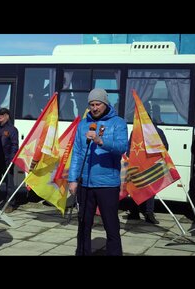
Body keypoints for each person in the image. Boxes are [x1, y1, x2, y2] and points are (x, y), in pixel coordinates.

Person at [68, 88, 128, 256]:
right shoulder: (82, 125)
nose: (94, 108)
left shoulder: (118, 123)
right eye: (91, 104)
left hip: (108, 184)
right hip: (85, 184)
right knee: (83, 225)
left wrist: (101, 141)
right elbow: (77, 153)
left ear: (105, 104)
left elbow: (122, 147)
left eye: (98, 104)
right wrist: (73, 179)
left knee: (111, 226)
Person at [126, 117, 168, 224]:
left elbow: (129, 149)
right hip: (146, 166)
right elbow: (165, 147)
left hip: (145, 165)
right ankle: (145, 214)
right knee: (145, 189)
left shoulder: (155, 132)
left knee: (141, 189)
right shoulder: (156, 131)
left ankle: (138, 213)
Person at [0, 107, 19, 213]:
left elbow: (15, 146)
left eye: (2, 114)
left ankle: (10, 204)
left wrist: (12, 160)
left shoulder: (12, 130)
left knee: (9, 185)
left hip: (7, 162)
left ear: (7, 116)